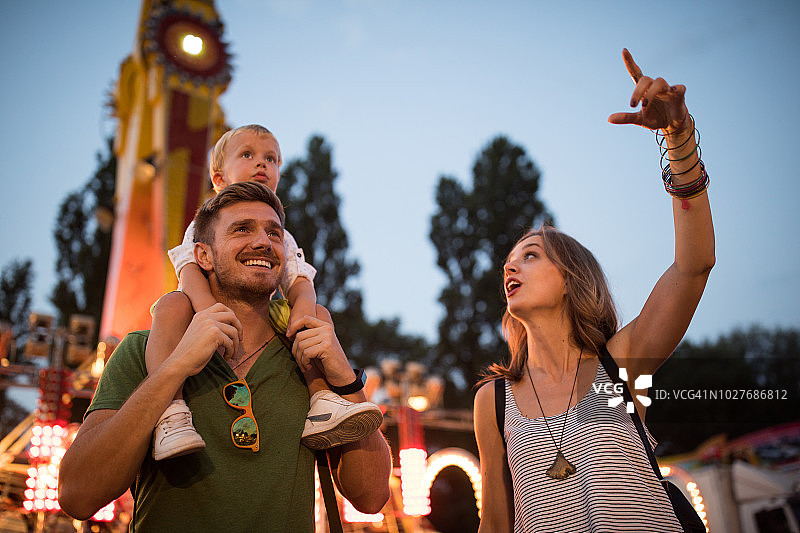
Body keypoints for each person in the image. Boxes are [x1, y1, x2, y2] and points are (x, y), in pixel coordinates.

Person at [58, 181, 393, 530]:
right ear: (203, 255)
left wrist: (346, 381)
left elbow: (370, 498)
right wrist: (175, 367)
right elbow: (78, 495)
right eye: (242, 229)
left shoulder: (310, 357)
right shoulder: (143, 349)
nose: (264, 242)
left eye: (274, 234)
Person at [473, 49, 714, 532]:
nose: (511, 266)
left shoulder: (621, 362)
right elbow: (495, 523)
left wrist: (679, 141)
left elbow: (693, 267)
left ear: (570, 280)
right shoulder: (493, 403)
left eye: (532, 255)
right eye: (509, 261)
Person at [146, 124, 382, 460]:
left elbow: (299, 279)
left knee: (318, 318)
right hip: (202, 309)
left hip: (265, 312)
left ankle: (322, 400)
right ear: (218, 179)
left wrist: (303, 311)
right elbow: (188, 271)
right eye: (248, 155)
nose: (262, 165)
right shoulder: (204, 222)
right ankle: (171, 412)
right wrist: (209, 311)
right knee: (170, 305)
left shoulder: (282, 235)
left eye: (271, 159)